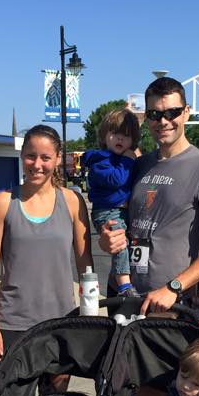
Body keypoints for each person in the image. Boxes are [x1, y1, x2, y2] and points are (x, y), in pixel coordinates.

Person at [99, 77, 199, 319]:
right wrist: (106, 240)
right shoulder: (137, 164)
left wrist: (174, 287)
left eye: (172, 112)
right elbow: (115, 218)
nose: (163, 121)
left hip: (168, 303)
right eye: (155, 114)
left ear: (186, 113)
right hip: (123, 295)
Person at [0, 125, 93, 375]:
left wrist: (89, 315)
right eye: (31, 156)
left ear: (58, 159)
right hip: (12, 323)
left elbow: (85, 264)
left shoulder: (72, 202)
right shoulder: (3, 203)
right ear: (22, 155)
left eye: (45, 157)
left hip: (62, 322)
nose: (37, 164)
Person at [83, 108, 141, 296]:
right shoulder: (100, 161)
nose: (120, 138)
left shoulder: (122, 159)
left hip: (122, 210)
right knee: (119, 243)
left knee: (127, 243)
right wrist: (128, 161)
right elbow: (116, 179)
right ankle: (124, 286)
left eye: (126, 135)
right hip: (107, 211)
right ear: (104, 136)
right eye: (115, 133)